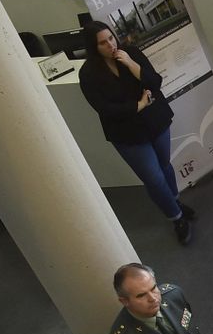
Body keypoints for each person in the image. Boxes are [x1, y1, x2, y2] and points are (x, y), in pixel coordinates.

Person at [77, 22, 194, 244]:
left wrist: (131, 64)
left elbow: (155, 82)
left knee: (165, 165)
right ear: (93, 47)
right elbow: (104, 109)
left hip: (155, 122)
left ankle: (176, 202)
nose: (110, 44)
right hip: (127, 133)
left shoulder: (129, 53)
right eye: (103, 42)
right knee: (153, 178)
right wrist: (138, 106)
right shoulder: (88, 73)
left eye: (111, 38)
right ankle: (176, 218)